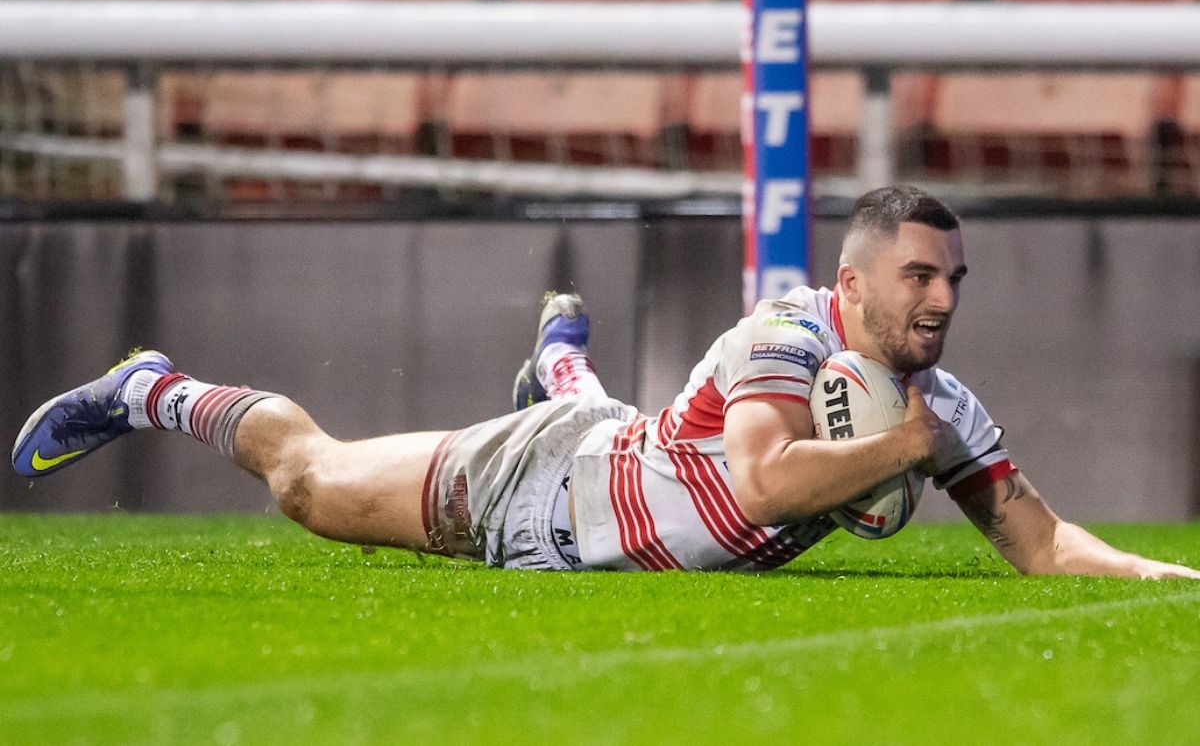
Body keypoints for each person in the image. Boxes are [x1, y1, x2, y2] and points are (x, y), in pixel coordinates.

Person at [11, 186, 1199, 578]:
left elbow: (1043, 546)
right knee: (309, 485)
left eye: (956, 279)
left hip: (618, 455)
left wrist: (1166, 576)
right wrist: (904, 450)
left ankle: (561, 361)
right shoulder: (783, 336)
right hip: (545, 481)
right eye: (920, 276)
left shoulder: (948, 403)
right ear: (849, 283)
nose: (943, 299)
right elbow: (768, 482)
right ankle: (150, 386)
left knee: (606, 412)